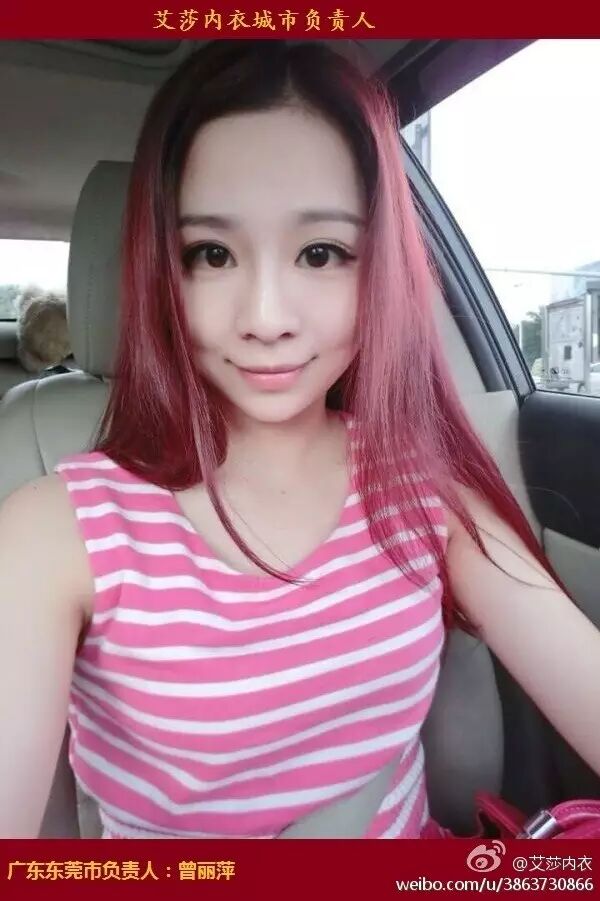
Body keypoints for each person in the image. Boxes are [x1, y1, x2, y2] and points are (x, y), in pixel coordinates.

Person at [1, 39, 599, 841]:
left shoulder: (421, 488)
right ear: (160, 271)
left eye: (321, 253)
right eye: (212, 254)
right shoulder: (51, 534)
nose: (267, 316)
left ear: (378, 267)